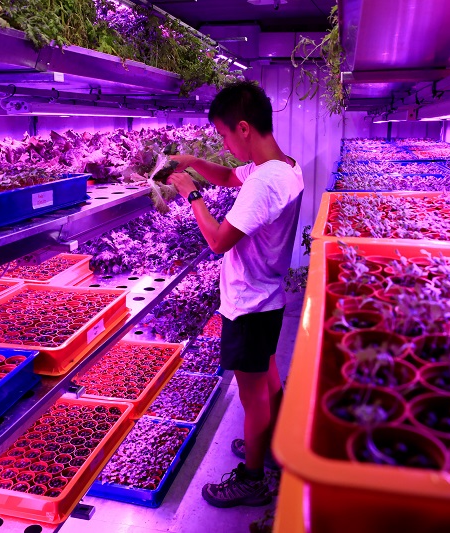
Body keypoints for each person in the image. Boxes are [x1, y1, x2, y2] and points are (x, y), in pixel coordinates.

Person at [168, 81, 304, 508]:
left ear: (244, 128)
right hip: (268, 297)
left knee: (252, 395)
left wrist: (191, 196)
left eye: (226, 136)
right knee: (267, 376)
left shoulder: (264, 184)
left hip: (248, 303)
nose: (225, 144)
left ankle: (253, 479)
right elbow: (228, 175)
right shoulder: (284, 166)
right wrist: (194, 163)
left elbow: (218, 241)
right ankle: (271, 445)